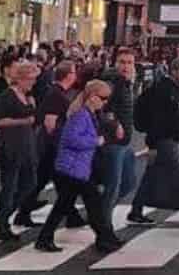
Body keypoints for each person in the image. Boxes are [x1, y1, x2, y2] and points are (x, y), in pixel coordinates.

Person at [34, 79, 122, 255]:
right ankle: (105, 239)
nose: (105, 102)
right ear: (91, 96)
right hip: (74, 168)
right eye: (103, 98)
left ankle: (45, 238)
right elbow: (70, 139)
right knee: (92, 205)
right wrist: (95, 141)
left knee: (66, 205)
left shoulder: (89, 113)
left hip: (77, 167)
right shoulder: (81, 115)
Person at [128, 57, 179, 224]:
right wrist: (154, 143)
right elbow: (158, 119)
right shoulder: (164, 89)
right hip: (162, 141)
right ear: (175, 71)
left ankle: (136, 210)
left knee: (150, 176)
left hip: (163, 140)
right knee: (177, 177)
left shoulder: (171, 88)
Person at [18, 60, 79, 228]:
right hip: (51, 147)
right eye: (74, 72)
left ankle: (22, 211)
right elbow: (49, 123)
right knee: (59, 183)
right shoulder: (56, 95)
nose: (76, 75)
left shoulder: (58, 93)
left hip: (50, 147)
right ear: (68, 76)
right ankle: (16, 212)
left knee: (44, 181)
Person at [0, 59, 39, 240]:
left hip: (26, 144)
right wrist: (22, 121)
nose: (32, 83)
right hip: (10, 145)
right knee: (9, 186)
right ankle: (3, 225)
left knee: (30, 183)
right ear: (20, 78)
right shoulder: (7, 95)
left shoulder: (28, 96)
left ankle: (3, 215)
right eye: (30, 79)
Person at [100, 48, 138, 222]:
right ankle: (103, 224)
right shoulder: (112, 81)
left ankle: (98, 213)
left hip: (124, 142)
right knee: (113, 186)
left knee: (128, 183)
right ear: (115, 63)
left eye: (129, 62)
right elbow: (100, 108)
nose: (126, 66)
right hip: (112, 142)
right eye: (122, 62)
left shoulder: (126, 81)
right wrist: (115, 123)